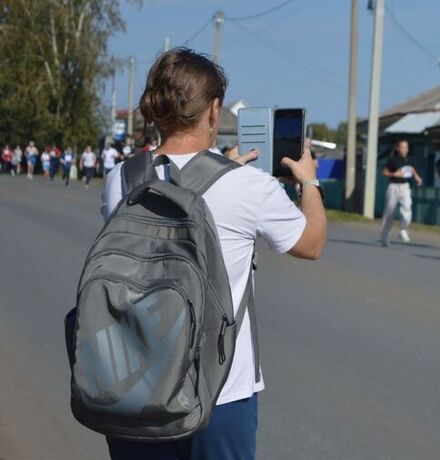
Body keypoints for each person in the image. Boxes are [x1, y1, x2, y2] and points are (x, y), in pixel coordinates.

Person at [99, 47, 326, 460]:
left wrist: (221, 168)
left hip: (134, 383)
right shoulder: (246, 187)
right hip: (221, 391)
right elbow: (310, 244)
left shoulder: (121, 178)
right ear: (215, 109)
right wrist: (309, 183)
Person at [380, 139, 423, 247]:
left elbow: (412, 170)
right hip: (393, 186)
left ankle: (403, 229)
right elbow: (384, 172)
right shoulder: (393, 160)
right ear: (398, 148)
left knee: (407, 207)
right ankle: (384, 235)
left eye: (406, 147)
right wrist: (394, 174)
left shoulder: (409, 160)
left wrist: (417, 177)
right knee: (390, 212)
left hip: (405, 186)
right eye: (402, 147)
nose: (404, 149)